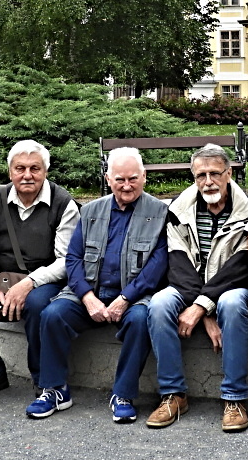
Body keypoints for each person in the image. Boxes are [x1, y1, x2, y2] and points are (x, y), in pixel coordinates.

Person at [26, 147, 168, 422]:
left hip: (134, 296)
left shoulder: (160, 213)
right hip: (89, 292)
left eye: (133, 178)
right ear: (108, 178)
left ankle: (123, 393)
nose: (126, 186)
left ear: (145, 176)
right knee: (52, 314)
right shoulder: (90, 211)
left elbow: (157, 266)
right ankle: (55, 389)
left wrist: (125, 298)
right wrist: (88, 297)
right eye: (119, 179)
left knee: (141, 320)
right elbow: (74, 258)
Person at [0, 140, 80, 402]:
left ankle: (44, 379)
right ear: (10, 172)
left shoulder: (64, 203)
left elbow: (66, 260)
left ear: (45, 171)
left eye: (35, 168)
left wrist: (30, 283)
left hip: (47, 279)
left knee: (38, 305)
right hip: (5, 278)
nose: (27, 175)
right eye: (20, 168)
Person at [147, 144, 248, 432]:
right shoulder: (178, 210)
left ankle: (234, 398)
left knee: (232, 304)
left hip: (231, 286)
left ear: (229, 174)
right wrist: (205, 312)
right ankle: (173, 394)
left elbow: (241, 268)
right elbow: (178, 264)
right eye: (200, 175)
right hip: (190, 286)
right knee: (158, 305)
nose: (208, 181)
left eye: (215, 174)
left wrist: (201, 306)